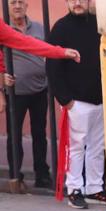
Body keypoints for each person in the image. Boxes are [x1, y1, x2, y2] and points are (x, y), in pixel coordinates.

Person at [3, 0, 76, 189]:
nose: (17, 6)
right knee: (14, 136)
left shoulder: (37, 27)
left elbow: (30, 44)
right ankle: (15, 176)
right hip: (15, 92)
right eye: (13, 3)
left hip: (39, 88)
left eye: (21, 2)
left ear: (27, 5)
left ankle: (42, 175)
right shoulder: (5, 26)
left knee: (39, 132)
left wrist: (59, 52)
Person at [47, 0, 102, 209]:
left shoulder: (98, 24)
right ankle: (75, 188)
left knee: (98, 146)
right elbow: (52, 65)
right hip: (76, 101)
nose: (78, 3)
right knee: (76, 146)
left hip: (102, 98)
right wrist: (65, 99)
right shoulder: (61, 27)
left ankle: (95, 188)